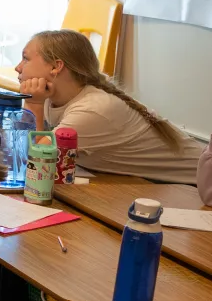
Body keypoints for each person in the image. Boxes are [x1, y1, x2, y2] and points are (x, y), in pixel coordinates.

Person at [16, 29, 204, 184]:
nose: (18, 67)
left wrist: (33, 104)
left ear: (56, 66)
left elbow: (33, 163)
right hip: (153, 183)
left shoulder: (93, 109)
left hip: (196, 188)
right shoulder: (52, 98)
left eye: (25, 58)